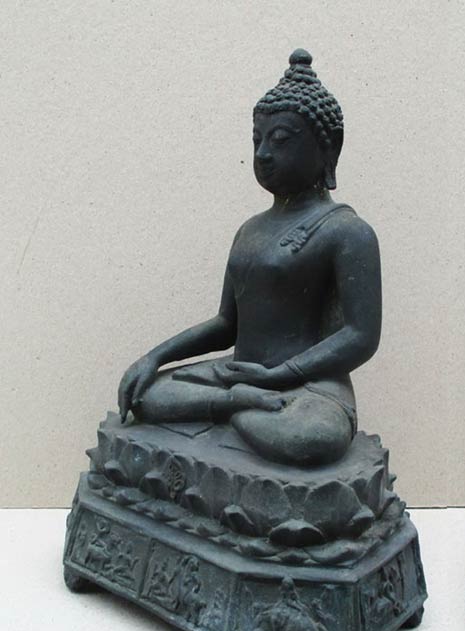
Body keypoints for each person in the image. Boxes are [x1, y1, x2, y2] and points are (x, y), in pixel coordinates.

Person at [117, 50, 381, 467]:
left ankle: (231, 408)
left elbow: (361, 336)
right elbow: (227, 324)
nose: (263, 153)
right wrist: (155, 357)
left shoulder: (347, 231)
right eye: (258, 139)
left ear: (328, 147)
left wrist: (282, 375)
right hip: (238, 374)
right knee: (145, 392)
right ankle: (236, 405)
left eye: (281, 140)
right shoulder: (250, 230)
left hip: (308, 387)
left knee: (312, 437)